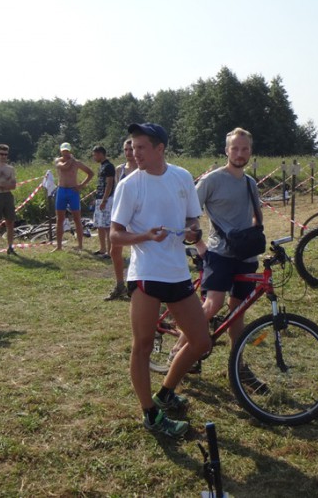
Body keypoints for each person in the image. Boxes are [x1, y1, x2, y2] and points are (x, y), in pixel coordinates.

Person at [110, 122, 209, 438]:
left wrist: (194, 231)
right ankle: (150, 415)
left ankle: (165, 393)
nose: (134, 153)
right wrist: (144, 236)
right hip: (145, 275)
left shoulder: (181, 178)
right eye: (132, 147)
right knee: (142, 346)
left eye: (141, 147)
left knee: (201, 341)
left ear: (159, 149)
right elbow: (115, 234)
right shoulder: (129, 185)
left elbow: (193, 218)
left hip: (177, 273)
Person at [171, 127, 266, 386]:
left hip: (245, 255)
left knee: (239, 311)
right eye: (235, 148)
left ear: (250, 152)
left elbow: (257, 215)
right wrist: (198, 240)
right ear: (226, 150)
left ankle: (238, 365)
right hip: (220, 253)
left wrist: (257, 235)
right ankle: (178, 350)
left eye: (245, 149)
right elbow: (190, 210)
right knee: (212, 305)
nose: (240, 153)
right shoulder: (212, 180)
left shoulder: (249, 183)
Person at [105, 137, 137, 301]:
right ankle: (119, 285)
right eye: (125, 150)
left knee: (137, 250)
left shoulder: (142, 169)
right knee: (114, 250)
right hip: (121, 213)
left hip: (138, 214)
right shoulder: (119, 169)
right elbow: (117, 191)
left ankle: (137, 287)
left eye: (131, 149)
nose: (128, 153)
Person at [53, 142, 93, 251]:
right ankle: (59, 246)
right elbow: (64, 167)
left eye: (67, 151)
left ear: (70, 151)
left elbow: (90, 173)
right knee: (59, 219)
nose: (65, 153)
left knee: (77, 218)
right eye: (63, 151)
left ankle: (80, 245)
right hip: (61, 190)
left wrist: (81, 185)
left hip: (73, 191)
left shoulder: (77, 163)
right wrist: (71, 159)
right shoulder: (58, 160)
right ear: (61, 151)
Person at [91, 145, 116, 259]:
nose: (94, 157)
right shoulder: (101, 166)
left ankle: (110, 252)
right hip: (100, 198)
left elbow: (109, 184)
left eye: (95, 155)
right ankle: (102, 249)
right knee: (99, 225)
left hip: (106, 199)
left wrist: (105, 200)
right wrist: (95, 197)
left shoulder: (109, 166)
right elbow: (101, 184)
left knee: (107, 226)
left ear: (101, 154)